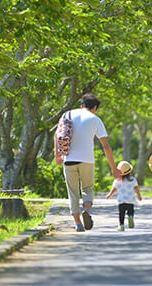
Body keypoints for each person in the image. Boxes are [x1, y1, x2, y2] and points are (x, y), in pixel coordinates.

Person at [58, 93, 121, 232]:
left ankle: (78, 224)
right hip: (87, 160)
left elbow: (58, 134)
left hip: (68, 159)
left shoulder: (67, 114)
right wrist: (114, 168)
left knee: (73, 193)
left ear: (81, 105)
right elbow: (105, 145)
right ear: (95, 108)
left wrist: (58, 155)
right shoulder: (95, 119)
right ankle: (86, 209)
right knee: (87, 189)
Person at [105, 161, 143, 231]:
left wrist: (109, 195)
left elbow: (114, 189)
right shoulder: (133, 180)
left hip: (121, 201)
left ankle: (121, 225)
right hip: (130, 200)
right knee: (131, 211)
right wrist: (139, 196)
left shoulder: (117, 181)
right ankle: (130, 216)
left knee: (121, 214)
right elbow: (136, 188)